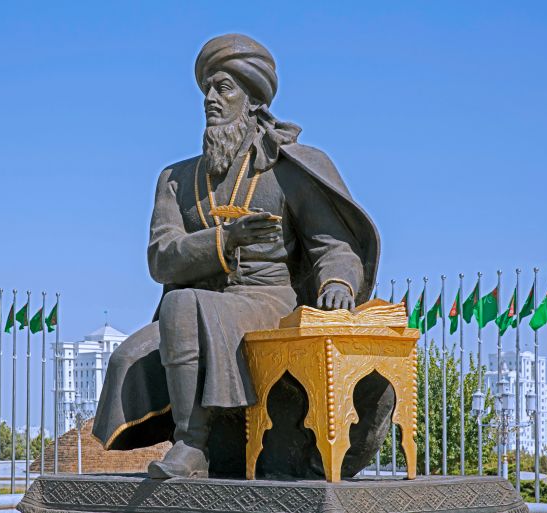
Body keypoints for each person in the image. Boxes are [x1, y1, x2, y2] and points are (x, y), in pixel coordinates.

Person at [92, 33, 380, 479]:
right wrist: (225, 241)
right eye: (207, 88)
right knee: (130, 355)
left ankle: (193, 446)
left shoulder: (289, 167)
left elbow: (334, 247)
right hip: (196, 309)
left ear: (252, 101)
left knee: (182, 305)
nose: (210, 98)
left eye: (224, 88)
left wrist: (338, 284)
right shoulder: (176, 178)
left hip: (270, 302)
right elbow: (161, 260)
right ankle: (194, 438)